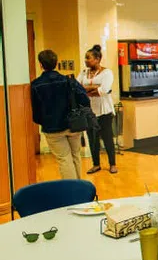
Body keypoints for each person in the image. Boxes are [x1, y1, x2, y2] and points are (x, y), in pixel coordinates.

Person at [31, 49, 90, 180]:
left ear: (40, 64)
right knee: (75, 155)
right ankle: (80, 189)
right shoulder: (69, 80)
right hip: (74, 125)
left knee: (64, 159)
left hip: (52, 129)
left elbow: (36, 112)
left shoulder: (36, 85)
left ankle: (72, 191)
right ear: (56, 63)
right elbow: (85, 99)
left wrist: (44, 122)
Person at [76, 45, 117, 174]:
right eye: (85, 58)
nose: (86, 60)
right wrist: (93, 88)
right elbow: (77, 88)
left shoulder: (107, 73)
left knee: (107, 138)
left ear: (98, 59)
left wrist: (87, 89)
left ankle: (112, 164)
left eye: (89, 58)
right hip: (89, 112)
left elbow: (103, 90)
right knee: (92, 139)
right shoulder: (83, 73)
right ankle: (96, 164)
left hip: (104, 111)